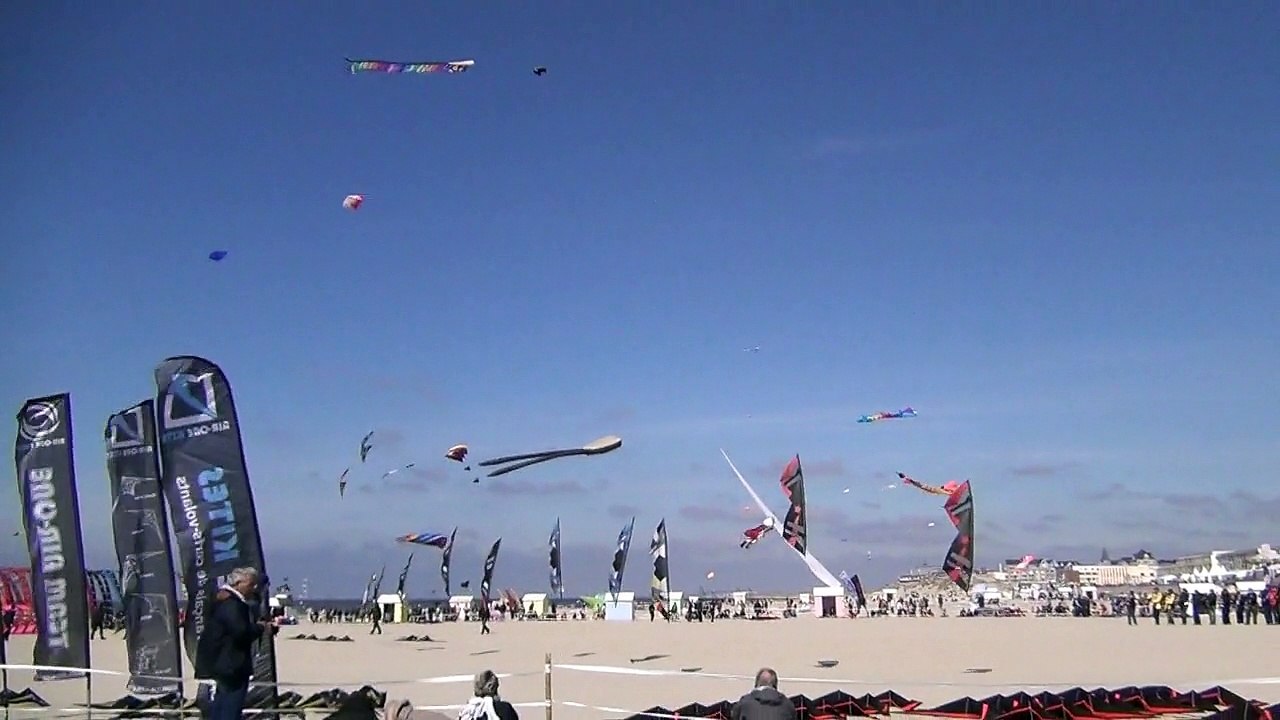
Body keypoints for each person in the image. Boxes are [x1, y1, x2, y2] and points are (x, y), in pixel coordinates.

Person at [194, 567, 277, 720]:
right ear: (238, 583)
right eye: (251, 584)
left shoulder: (223, 599)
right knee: (229, 708)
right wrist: (261, 628)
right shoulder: (232, 604)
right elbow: (240, 632)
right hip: (231, 665)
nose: (254, 588)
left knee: (222, 704)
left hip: (222, 663)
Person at [730, 668, 796, 720]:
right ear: (775, 684)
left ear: (757, 683)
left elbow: (734, 716)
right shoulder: (787, 704)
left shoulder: (744, 702)